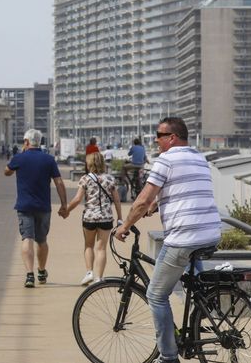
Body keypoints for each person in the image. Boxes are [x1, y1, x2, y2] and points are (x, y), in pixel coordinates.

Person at [115, 117, 221, 363]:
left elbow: (141, 199)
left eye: (159, 135)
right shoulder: (198, 157)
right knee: (196, 288)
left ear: (172, 137)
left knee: (156, 295)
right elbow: (181, 190)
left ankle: (168, 356)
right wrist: (156, 206)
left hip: (183, 238)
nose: (155, 139)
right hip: (209, 233)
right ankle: (199, 324)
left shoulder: (166, 160)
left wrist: (125, 226)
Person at [4, 129, 67, 288]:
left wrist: (16, 164)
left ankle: (29, 275)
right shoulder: (48, 159)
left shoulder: (19, 158)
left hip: (24, 206)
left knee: (27, 239)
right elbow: (59, 182)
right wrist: (64, 205)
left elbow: (6, 172)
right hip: (44, 207)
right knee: (42, 240)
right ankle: (41, 270)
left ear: (26, 142)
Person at [64, 152, 122, 285]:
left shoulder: (85, 179)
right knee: (101, 248)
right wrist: (120, 218)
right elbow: (117, 201)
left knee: (88, 245)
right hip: (106, 217)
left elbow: (78, 199)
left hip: (89, 217)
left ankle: (89, 272)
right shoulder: (110, 179)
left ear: (89, 163)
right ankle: (99, 278)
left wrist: (67, 210)